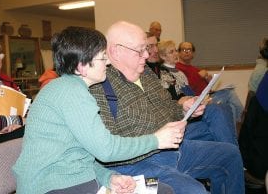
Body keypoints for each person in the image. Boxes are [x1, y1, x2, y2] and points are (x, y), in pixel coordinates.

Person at [13, 26, 179, 194]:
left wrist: (109, 178)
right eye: (102, 58)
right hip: (52, 187)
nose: (108, 62)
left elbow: (82, 155)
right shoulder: (71, 93)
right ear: (82, 66)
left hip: (74, 180)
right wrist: (156, 140)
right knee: (161, 191)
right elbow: (106, 150)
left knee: (160, 189)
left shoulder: (69, 88)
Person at [90, 21, 244, 194]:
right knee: (195, 191)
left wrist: (185, 109)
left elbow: (169, 107)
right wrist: (155, 139)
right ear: (115, 51)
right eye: (140, 50)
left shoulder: (146, 73)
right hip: (137, 163)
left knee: (230, 155)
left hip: (174, 148)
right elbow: (105, 147)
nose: (147, 55)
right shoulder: (99, 86)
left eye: (146, 49)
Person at [176, 41, 244, 124]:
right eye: (183, 50)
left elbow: (206, 85)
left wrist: (209, 80)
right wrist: (199, 76)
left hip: (208, 95)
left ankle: (236, 131)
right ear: (179, 53)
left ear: (193, 53)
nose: (186, 52)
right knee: (229, 93)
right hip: (199, 100)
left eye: (189, 50)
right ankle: (244, 119)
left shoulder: (193, 68)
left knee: (231, 107)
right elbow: (186, 88)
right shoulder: (178, 68)